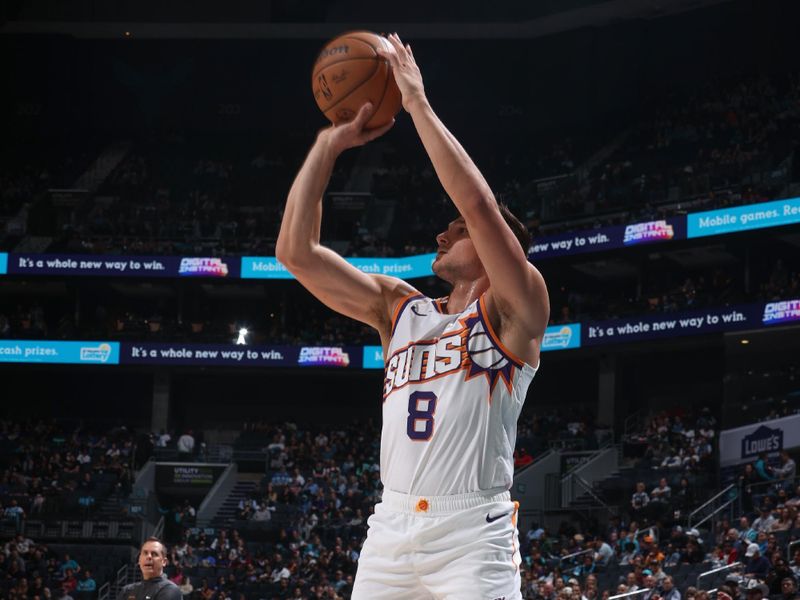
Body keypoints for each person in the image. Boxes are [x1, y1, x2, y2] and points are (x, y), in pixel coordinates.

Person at [276, 32, 549, 600]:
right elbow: (295, 253)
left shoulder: (517, 305)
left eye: (456, 230)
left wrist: (417, 101)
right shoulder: (399, 307)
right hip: (391, 528)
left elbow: (476, 204)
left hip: (474, 532)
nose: (442, 232)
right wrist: (328, 146)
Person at [117, 537, 182, 600]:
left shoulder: (171, 590)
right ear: (139, 560)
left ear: (164, 562)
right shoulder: (127, 590)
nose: (149, 556)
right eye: (145, 553)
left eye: (154, 554)